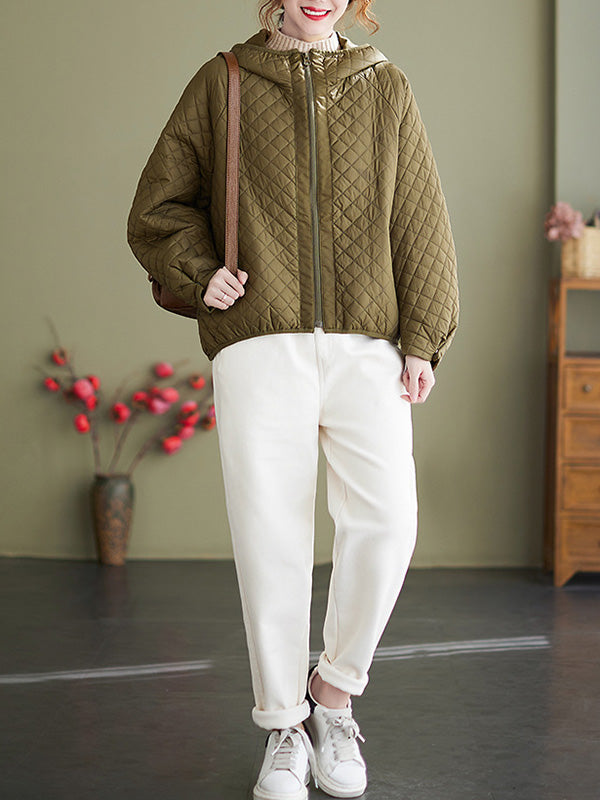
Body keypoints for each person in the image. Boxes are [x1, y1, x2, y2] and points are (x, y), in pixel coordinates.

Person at [126, 1, 459, 798]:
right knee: (269, 535)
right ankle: (282, 726)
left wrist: (424, 335)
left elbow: (420, 215)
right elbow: (158, 208)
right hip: (259, 341)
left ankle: (332, 695)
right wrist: (200, 272)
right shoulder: (224, 81)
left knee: (389, 520)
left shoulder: (384, 84)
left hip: (368, 344)